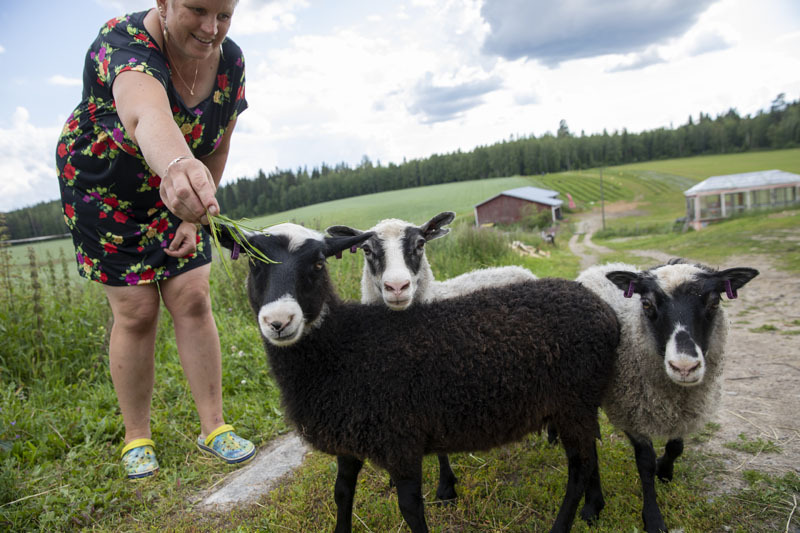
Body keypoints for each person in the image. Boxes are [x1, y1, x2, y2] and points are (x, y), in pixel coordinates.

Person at [55, 0, 255, 480]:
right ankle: (136, 437)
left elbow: (219, 142)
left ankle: (215, 427)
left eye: (224, 15)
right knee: (137, 312)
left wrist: (195, 216)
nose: (211, 29)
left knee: (192, 295)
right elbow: (146, 115)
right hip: (104, 189)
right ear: (163, 3)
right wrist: (178, 168)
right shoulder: (121, 42)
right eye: (197, 9)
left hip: (180, 189)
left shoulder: (230, 61)